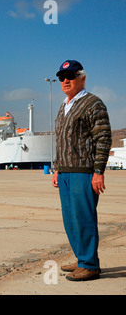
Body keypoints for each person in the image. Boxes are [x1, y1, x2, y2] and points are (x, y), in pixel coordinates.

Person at [51, 60, 112, 281]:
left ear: (82, 78)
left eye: (70, 76)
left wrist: (98, 171)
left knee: (84, 218)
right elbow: (61, 141)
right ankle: (81, 258)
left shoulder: (93, 103)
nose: (65, 81)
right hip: (65, 171)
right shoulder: (63, 106)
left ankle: (90, 265)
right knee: (70, 219)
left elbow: (103, 138)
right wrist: (57, 168)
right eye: (61, 77)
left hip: (83, 171)